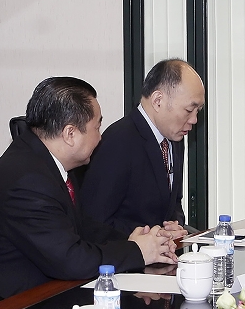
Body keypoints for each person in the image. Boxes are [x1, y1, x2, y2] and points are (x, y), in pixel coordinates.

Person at [0, 77, 176, 298]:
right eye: (97, 127)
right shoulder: (27, 182)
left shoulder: (48, 162)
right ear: (70, 134)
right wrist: (137, 252)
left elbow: (80, 227)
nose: (100, 137)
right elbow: (71, 260)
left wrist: (130, 241)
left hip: (50, 292)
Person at [80, 59, 204, 239]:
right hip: (125, 261)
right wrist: (149, 235)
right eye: (189, 110)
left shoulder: (174, 136)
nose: (194, 120)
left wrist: (174, 226)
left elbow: (173, 203)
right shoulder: (118, 141)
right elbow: (94, 222)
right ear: (158, 100)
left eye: (198, 111)